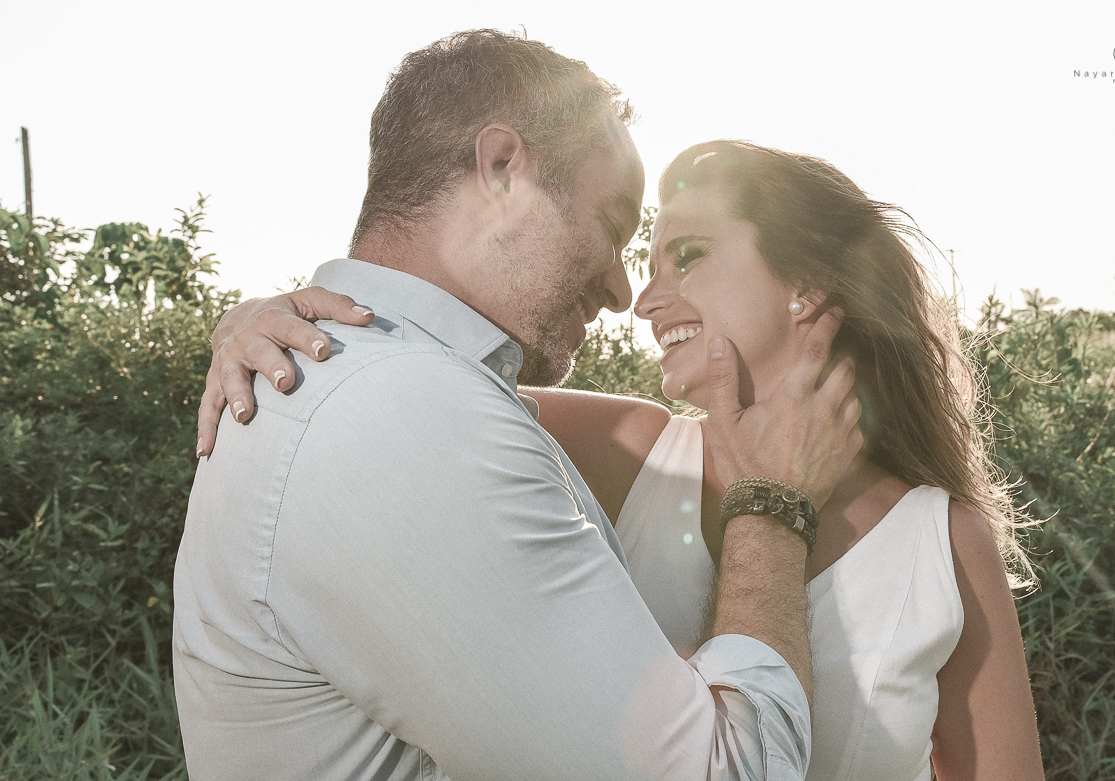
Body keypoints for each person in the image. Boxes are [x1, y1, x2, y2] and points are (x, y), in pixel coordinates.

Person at [202, 141, 1047, 779]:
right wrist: (263, 318)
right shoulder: (625, 451)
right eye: (647, 265)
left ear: (811, 285)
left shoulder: (944, 543)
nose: (642, 300)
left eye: (689, 257)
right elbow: (405, 377)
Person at [174, 31, 862, 781]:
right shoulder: (408, 414)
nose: (622, 291)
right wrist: (774, 507)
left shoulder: (369, 383)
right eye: (610, 227)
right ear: (502, 169)